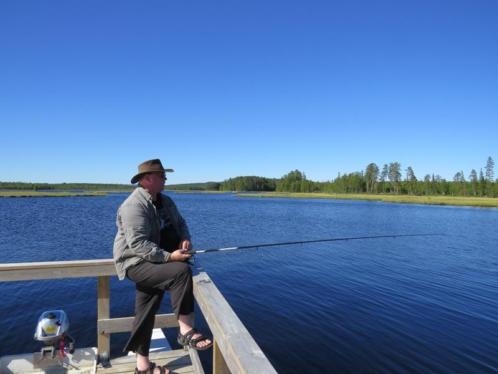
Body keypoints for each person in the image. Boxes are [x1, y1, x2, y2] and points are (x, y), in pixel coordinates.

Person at [113, 159, 212, 374]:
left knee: (145, 311)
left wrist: (184, 239)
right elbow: (138, 245)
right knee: (181, 272)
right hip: (136, 262)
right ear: (147, 179)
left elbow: (181, 223)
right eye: (161, 176)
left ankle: (143, 367)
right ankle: (185, 330)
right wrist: (170, 257)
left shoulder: (165, 201)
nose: (165, 179)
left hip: (156, 261)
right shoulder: (133, 206)